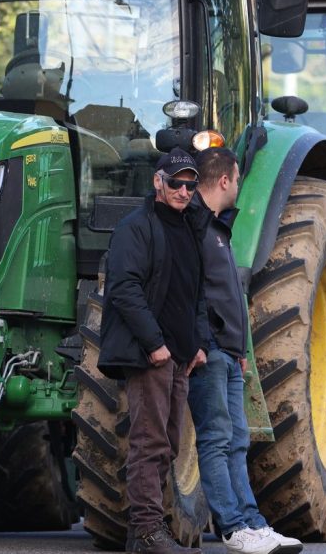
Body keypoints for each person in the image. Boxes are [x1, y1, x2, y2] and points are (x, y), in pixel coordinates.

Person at [187, 147, 302, 554]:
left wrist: (237, 347)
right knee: (217, 439)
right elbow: (189, 293)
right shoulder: (195, 228)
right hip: (211, 351)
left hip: (228, 351)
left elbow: (224, 294)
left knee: (237, 439)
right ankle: (233, 526)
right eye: (237, 179)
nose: (238, 186)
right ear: (224, 180)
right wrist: (203, 343)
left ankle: (252, 521)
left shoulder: (217, 229)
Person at [98, 147, 208, 554]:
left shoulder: (190, 227)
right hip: (151, 354)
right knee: (150, 442)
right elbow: (124, 289)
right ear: (158, 181)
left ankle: (147, 532)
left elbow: (196, 291)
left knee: (171, 442)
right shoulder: (136, 226)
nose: (184, 191)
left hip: (180, 355)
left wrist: (198, 345)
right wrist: (156, 345)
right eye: (177, 183)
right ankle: (146, 529)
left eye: (190, 184)